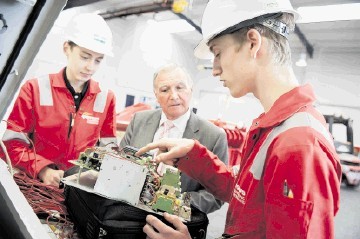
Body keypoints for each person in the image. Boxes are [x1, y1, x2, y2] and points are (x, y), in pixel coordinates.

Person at [136, 0, 342, 238]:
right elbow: (245, 191)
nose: (214, 69)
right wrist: (193, 153)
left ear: (253, 43)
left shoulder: (299, 143)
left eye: (218, 53)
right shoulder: (272, 126)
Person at [2, 13, 117, 187]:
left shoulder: (106, 98)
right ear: (67, 48)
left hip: (77, 190)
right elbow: (11, 145)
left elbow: (109, 152)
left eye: (98, 60)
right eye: (85, 57)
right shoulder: (35, 89)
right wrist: (43, 169)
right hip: (34, 185)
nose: (90, 67)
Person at [120, 63, 228, 214]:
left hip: (176, 224)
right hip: (129, 213)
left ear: (191, 90)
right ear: (156, 95)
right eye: (165, 90)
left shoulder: (214, 136)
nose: (174, 96)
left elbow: (216, 196)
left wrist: (174, 204)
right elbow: (121, 162)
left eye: (180, 87)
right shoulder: (139, 120)